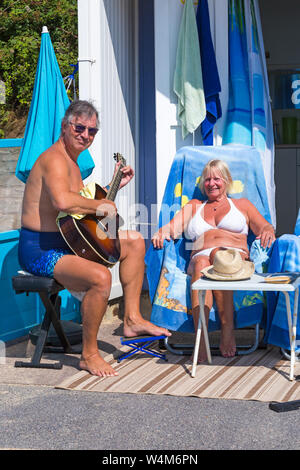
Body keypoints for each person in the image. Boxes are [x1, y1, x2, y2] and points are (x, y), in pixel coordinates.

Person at [19, 100, 170, 377]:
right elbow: (64, 202)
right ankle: (88, 355)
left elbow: (81, 204)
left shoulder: (72, 162)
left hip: (65, 241)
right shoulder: (54, 159)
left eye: (92, 131)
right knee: (100, 277)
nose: (85, 135)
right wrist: (103, 207)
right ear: (66, 126)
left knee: (135, 241)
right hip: (39, 250)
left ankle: (132, 319)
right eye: (80, 128)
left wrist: (111, 187)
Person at [152, 159, 275, 362]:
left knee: (219, 255)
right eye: (207, 179)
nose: (211, 183)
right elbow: (173, 227)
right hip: (199, 258)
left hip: (234, 259)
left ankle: (227, 330)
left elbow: (265, 227)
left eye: (216, 178)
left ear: (226, 180)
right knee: (202, 263)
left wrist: (268, 232)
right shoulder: (194, 206)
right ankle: (202, 338)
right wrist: (162, 231)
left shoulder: (242, 205)